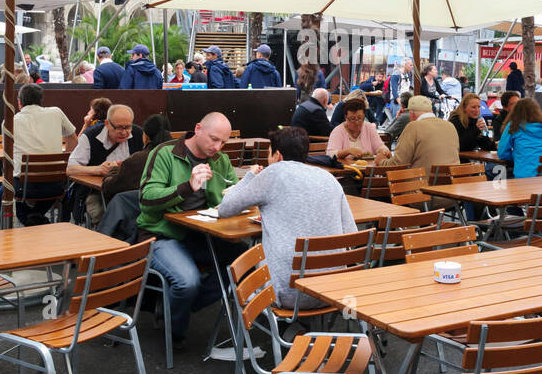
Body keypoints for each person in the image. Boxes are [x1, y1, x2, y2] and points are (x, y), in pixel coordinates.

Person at [218, 126, 358, 309]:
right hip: (333, 291)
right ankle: (298, 330)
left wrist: (250, 176)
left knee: (232, 281)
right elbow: (351, 234)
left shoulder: (273, 173)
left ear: (278, 156)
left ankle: (288, 330)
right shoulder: (329, 178)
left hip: (287, 294)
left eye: (269, 155)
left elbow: (225, 208)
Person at [137, 112, 240, 346]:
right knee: (187, 281)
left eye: (223, 142)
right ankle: (173, 332)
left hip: (200, 233)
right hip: (160, 233)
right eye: (214, 139)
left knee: (244, 262)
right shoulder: (165, 153)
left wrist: (251, 185)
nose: (218, 147)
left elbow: (232, 194)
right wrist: (187, 187)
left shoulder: (220, 160)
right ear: (197, 128)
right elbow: (146, 199)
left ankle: (177, 304)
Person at [7, 82, 79, 224]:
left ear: (19, 102)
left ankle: (35, 221)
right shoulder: (56, 112)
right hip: (57, 184)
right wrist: (64, 161)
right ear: (41, 100)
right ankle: (39, 220)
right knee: (35, 203)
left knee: (2, 194)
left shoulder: (10, 121)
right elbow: (73, 139)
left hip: (24, 187)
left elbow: (8, 155)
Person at [67, 103, 138, 224]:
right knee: (105, 216)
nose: (124, 132)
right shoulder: (90, 137)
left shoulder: (138, 134)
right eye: (119, 127)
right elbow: (70, 169)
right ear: (107, 124)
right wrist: (98, 169)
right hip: (96, 192)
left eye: (128, 127)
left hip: (130, 191)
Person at [388, 95, 460, 173]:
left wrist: (381, 161)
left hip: (423, 182)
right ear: (431, 111)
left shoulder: (413, 127)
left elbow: (398, 163)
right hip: (451, 181)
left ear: (411, 114)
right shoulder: (450, 126)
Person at [497, 97, 542, 178]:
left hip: (525, 176)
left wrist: (517, 156)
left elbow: (502, 153)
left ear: (515, 111)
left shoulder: (514, 126)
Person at [327, 96, 390, 162]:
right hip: (346, 169)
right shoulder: (338, 131)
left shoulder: (369, 127)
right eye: (352, 119)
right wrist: (347, 151)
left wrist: (384, 150)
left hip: (368, 169)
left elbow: (379, 146)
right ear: (346, 117)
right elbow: (330, 154)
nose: (357, 122)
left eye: (360, 118)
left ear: (364, 116)